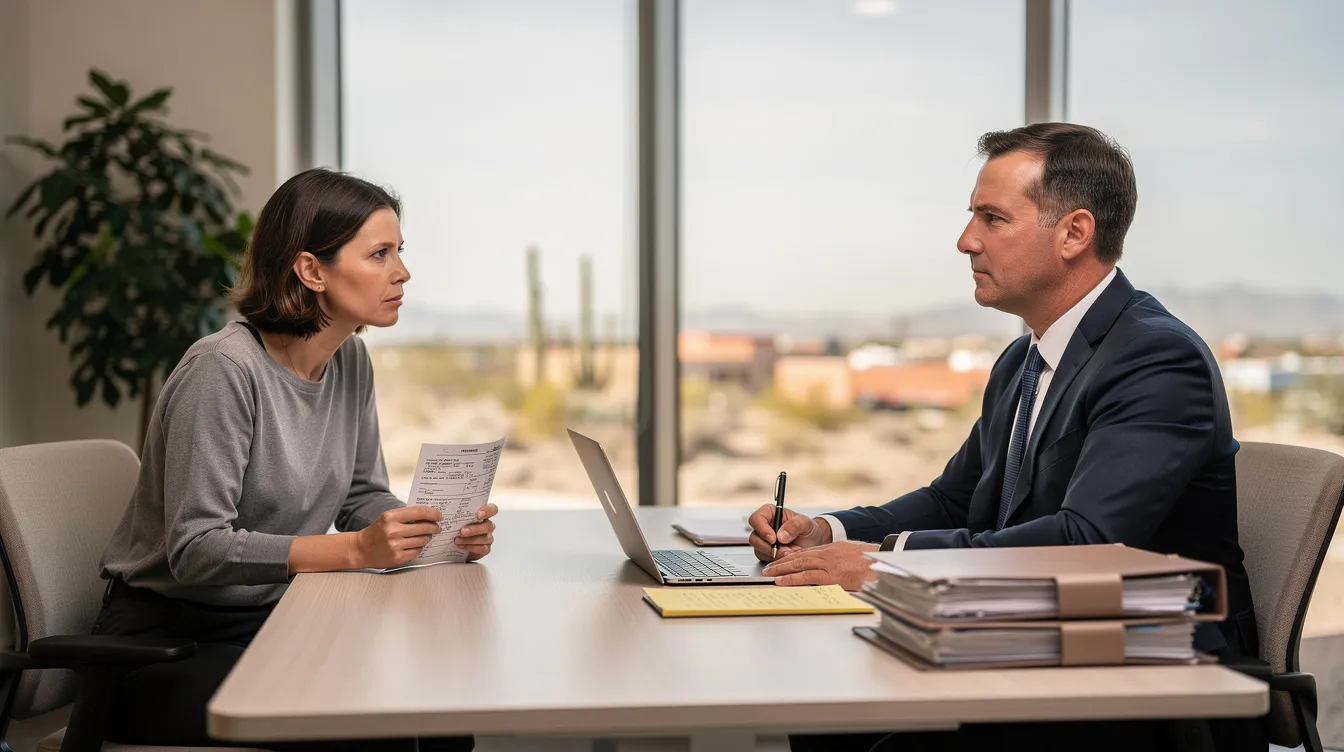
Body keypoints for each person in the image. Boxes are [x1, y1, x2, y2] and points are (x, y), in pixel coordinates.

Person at [747, 123, 1262, 752]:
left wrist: (884, 564)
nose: (966, 242)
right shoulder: (1022, 361)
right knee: (827, 719)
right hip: (1036, 644)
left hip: (1151, 677)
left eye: (993, 219)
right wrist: (827, 531)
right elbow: (953, 500)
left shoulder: (1155, 358)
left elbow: (1087, 542)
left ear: (1075, 233)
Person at [93, 168, 490, 751]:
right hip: (166, 644)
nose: (402, 272)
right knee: (369, 722)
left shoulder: (349, 361)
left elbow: (360, 495)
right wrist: (356, 550)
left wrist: (426, 529)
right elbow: (196, 548)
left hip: (272, 620)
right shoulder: (224, 371)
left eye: (399, 252)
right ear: (310, 270)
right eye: (379, 254)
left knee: (437, 708)